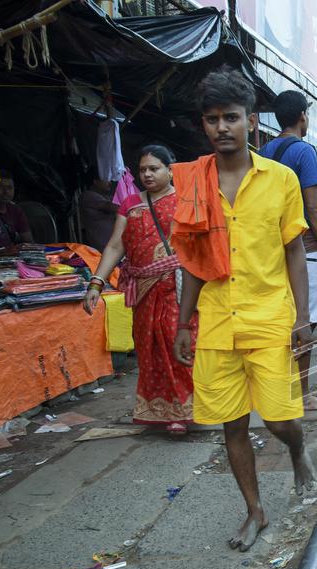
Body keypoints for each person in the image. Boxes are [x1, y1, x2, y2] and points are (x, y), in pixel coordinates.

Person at [170, 67, 314, 552]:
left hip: (269, 315)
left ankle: (297, 449)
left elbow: (295, 250)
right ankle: (254, 510)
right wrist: (184, 322)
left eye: (231, 117)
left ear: (251, 121)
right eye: (212, 119)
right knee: (231, 424)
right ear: (204, 125)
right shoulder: (194, 183)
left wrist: (302, 318)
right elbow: (193, 261)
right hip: (216, 321)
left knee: (278, 420)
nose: (222, 127)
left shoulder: (281, 179)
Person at [83, 145, 194, 434]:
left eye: (154, 168)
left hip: (177, 286)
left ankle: (183, 410)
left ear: (170, 170)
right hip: (143, 290)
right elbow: (115, 245)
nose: (147, 174)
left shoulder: (184, 199)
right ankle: (159, 410)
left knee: (176, 343)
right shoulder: (130, 203)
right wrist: (96, 282)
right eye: (143, 169)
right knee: (149, 348)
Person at [259, 89, 317, 412]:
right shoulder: (303, 151)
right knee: (304, 320)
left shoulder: (264, 151)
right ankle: (302, 394)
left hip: (271, 249)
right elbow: (314, 207)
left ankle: (279, 390)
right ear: (303, 116)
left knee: (280, 321)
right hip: (304, 249)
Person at [80, 178, 119, 251]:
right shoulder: (88, 195)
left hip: (111, 245)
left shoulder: (105, 196)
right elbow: (114, 207)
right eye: (106, 179)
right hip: (103, 247)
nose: (110, 182)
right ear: (95, 181)